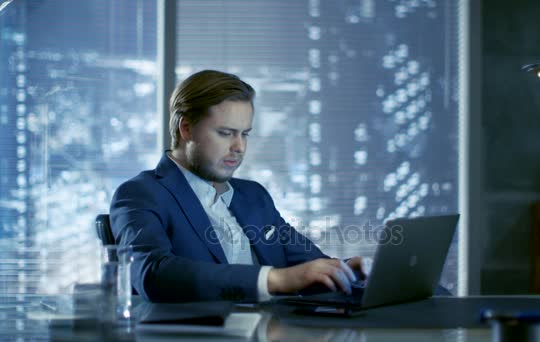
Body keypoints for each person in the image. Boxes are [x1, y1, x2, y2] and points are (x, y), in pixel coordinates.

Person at [110, 70, 365, 303]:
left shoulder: (254, 196)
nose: (239, 147)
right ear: (186, 128)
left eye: (245, 134)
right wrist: (275, 279)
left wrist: (349, 271)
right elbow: (152, 274)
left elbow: (308, 269)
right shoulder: (141, 195)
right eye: (225, 133)